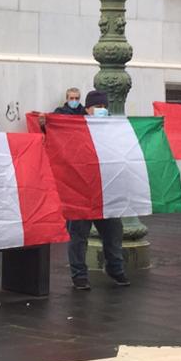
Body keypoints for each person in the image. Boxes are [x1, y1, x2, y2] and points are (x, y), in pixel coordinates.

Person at [66, 90, 129, 291]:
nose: (102, 110)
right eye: (97, 107)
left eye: (104, 107)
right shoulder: (75, 128)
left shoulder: (112, 130)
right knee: (78, 236)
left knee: (113, 232)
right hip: (81, 192)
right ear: (87, 109)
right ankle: (79, 275)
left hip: (106, 190)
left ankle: (115, 268)